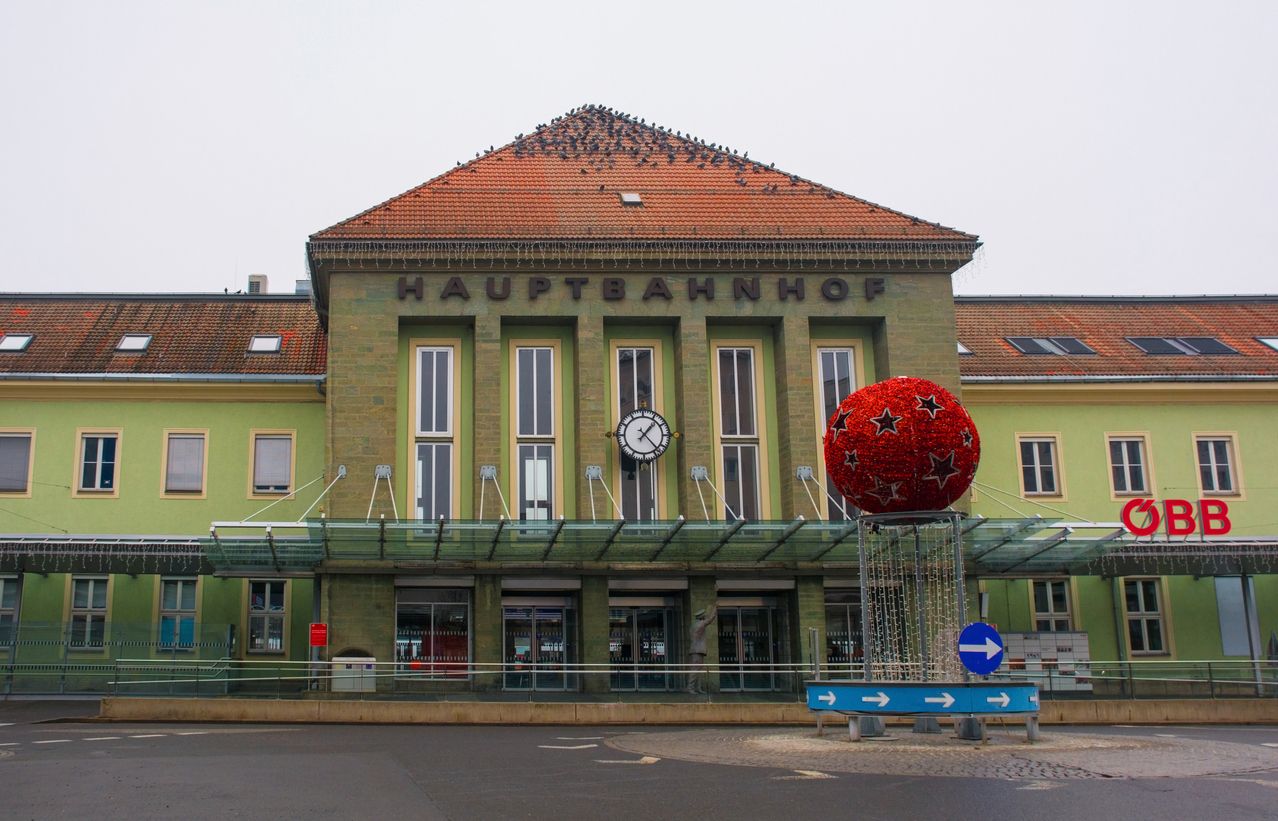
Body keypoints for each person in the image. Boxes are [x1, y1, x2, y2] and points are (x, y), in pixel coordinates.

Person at [686, 606, 717, 694]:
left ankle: (698, 688)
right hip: (697, 650)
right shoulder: (700, 624)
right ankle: (690, 688)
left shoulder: (693, 625)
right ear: (702, 617)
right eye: (704, 616)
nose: (705, 617)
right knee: (695, 669)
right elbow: (711, 619)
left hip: (696, 650)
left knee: (698, 670)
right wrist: (715, 607)